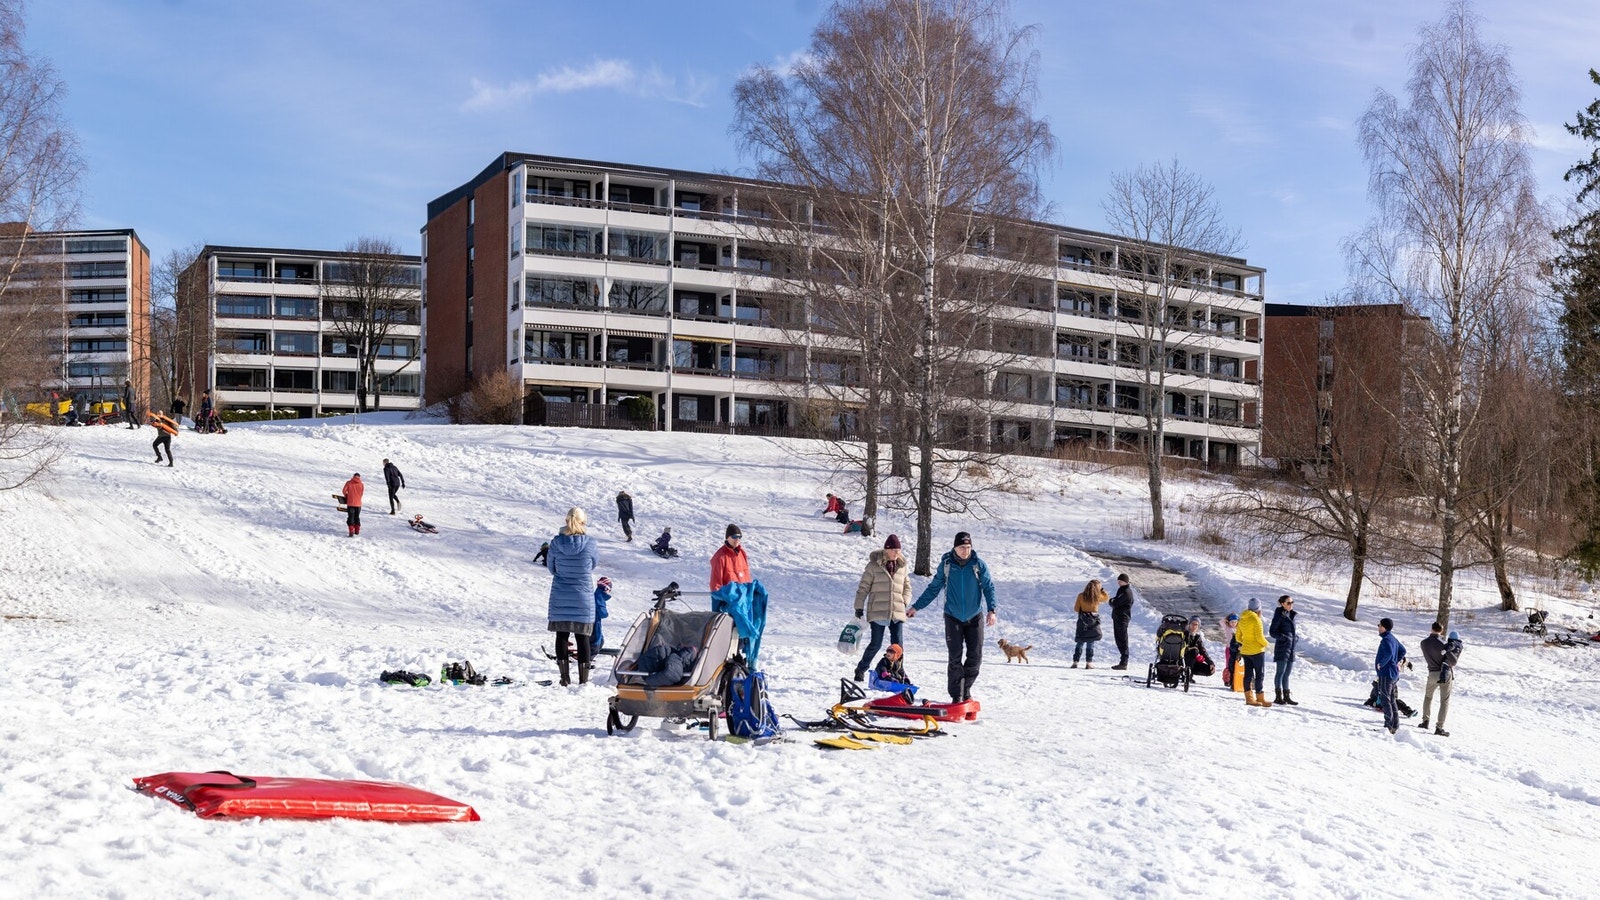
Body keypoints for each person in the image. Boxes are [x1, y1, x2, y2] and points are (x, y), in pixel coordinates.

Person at [908, 531, 997, 703]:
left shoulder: (978, 565)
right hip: (952, 617)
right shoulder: (947, 565)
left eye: (968, 547)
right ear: (955, 547)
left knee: (975, 657)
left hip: (974, 617)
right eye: (962, 547)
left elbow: (988, 587)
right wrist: (916, 607)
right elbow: (934, 588)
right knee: (955, 657)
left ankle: (966, 689)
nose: (965, 550)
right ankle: (957, 695)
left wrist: (992, 610)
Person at [546, 507, 599, 686]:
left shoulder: (556, 543)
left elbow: (551, 568)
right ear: (583, 522)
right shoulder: (590, 543)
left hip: (561, 593)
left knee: (562, 635)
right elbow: (593, 565)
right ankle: (583, 680)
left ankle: (564, 678)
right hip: (582, 596)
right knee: (582, 637)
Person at [851, 534, 912, 683]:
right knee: (876, 644)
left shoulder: (902, 566)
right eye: (894, 550)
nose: (897, 553)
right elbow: (863, 587)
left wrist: (904, 601)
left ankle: (898, 672)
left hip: (896, 612)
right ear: (886, 550)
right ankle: (861, 669)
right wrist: (859, 607)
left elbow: (907, 586)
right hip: (878, 611)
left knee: (898, 647)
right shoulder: (874, 566)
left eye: (899, 550)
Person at [1418, 623, 1463, 737]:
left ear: (1431, 629)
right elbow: (1453, 661)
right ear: (1442, 631)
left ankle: (1425, 721)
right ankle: (1439, 727)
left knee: (1428, 697)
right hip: (1444, 674)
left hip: (1432, 673)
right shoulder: (1444, 644)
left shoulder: (1423, 643)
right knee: (1444, 701)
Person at [1374, 617, 1408, 735]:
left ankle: (1388, 726)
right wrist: (1396, 661)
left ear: (1383, 627)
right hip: (1393, 673)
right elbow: (1403, 650)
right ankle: (1395, 725)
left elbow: (1388, 653)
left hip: (1386, 673)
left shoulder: (1386, 639)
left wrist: (1381, 664)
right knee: (1392, 699)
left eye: (1379, 625)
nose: (1378, 627)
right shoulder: (1393, 638)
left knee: (1385, 699)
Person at [1236, 598, 1270, 707]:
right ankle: (1260, 697)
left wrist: (1245, 642)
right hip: (1257, 652)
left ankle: (1249, 698)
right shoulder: (1256, 619)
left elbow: (1238, 637)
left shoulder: (1242, 619)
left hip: (1246, 651)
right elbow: (1259, 637)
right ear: (1258, 609)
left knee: (1248, 675)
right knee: (1259, 674)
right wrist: (1266, 644)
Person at [1269, 594, 1299, 706]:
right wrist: (1285, 638)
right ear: (1282, 604)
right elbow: (1272, 632)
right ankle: (1278, 696)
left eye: (1292, 602)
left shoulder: (1291, 615)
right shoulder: (1279, 615)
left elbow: (1291, 631)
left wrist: (1295, 638)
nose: (1291, 605)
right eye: (1288, 603)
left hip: (1291, 648)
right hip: (1282, 648)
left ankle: (1287, 696)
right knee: (1280, 672)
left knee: (1287, 673)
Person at [1072, 579, 1107, 668]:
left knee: (1080, 641)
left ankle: (1075, 661)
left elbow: (1076, 609)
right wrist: (1102, 590)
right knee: (1090, 642)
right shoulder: (1097, 596)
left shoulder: (1080, 596)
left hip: (1082, 621)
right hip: (1093, 621)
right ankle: (1088, 662)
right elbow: (1106, 598)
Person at [710, 524, 751, 592]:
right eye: (734, 536)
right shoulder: (720, 557)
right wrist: (720, 599)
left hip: (743, 598)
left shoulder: (742, 553)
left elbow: (746, 577)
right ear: (727, 537)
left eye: (739, 537)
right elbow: (715, 583)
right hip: (729, 599)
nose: (737, 539)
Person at [1109, 573, 1136, 670]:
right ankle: (1123, 661)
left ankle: (1124, 662)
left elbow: (1115, 602)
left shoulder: (1126, 592)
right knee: (1119, 639)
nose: (1119, 583)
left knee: (1122, 640)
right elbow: (1114, 601)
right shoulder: (1122, 590)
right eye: (1118, 581)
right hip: (1118, 617)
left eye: (1120, 581)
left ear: (1125, 581)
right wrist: (1112, 601)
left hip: (1122, 618)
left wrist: (1112, 601)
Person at [591, 576, 613, 655]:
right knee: (596, 642)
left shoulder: (597, 595)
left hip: (595, 622)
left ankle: (589, 656)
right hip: (594, 623)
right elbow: (602, 611)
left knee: (600, 640)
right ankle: (588, 659)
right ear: (606, 588)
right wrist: (605, 613)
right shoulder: (599, 596)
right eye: (609, 589)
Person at [1221, 613, 1240, 688]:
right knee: (1228, 665)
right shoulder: (1227, 628)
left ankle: (1235, 679)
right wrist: (1227, 617)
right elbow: (1222, 622)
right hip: (1229, 648)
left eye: (1235, 622)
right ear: (1228, 622)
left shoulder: (1238, 628)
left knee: (1235, 665)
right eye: (1232, 622)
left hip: (1236, 649)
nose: (1233, 624)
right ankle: (1227, 680)